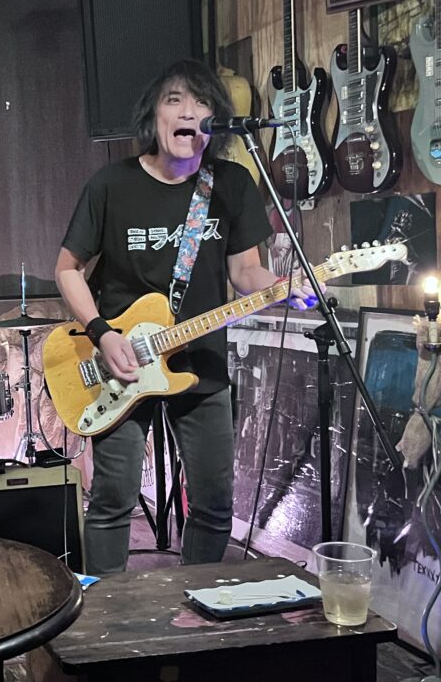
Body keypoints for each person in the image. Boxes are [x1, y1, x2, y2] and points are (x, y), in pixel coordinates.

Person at [54, 59, 317, 575]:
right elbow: (67, 269)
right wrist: (102, 334)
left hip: (200, 357)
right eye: (174, 100)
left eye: (201, 103)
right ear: (153, 115)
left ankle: (196, 605)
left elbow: (245, 273)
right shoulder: (111, 184)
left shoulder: (231, 184)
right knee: (113, 499)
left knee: (215, 504)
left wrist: (284, 287)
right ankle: (108, 612)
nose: (189, 112)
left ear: (215, 120)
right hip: (122, 363)